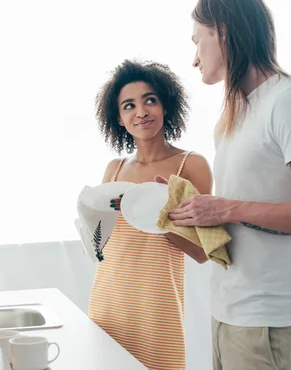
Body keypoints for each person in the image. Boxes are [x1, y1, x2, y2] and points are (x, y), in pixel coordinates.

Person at [168, 0, 291, 370]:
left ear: (225, 31)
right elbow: (237, 215)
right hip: (230, 315)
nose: (194, 58)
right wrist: (179, 211)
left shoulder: (289, 102)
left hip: (268, 324)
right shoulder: (236, 114)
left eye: (197, 40)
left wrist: (226, 208)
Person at [88, 59, 212, 369]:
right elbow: (102, 245)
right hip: (108, 302)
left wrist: (160, 219)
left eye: (150, 101)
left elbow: (203, 251)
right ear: (119, 119)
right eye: (128, 106)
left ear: (165, 106)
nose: (141, 112)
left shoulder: (191, 166)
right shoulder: (114, 169)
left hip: (157, 309)